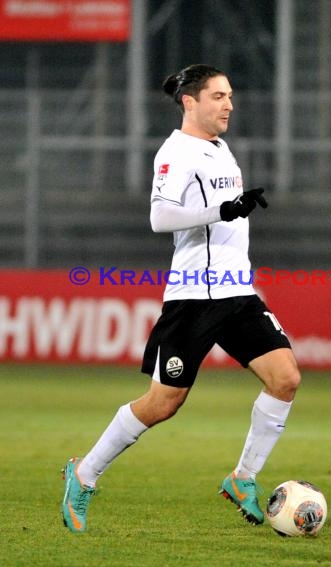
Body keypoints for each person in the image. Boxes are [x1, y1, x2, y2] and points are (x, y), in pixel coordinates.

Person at [61, 64, 301, 533]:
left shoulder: (220, 148)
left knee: (286, 378)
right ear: (190, 102)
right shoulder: (176, 152)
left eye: (229, 95)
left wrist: (231, 211)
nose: (228, 104)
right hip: (195, 297)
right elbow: (160, 217)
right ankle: (84, 474)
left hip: (237, 290)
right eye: (217, 96)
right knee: (163, 403)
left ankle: (242, 478)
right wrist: (223, 208)